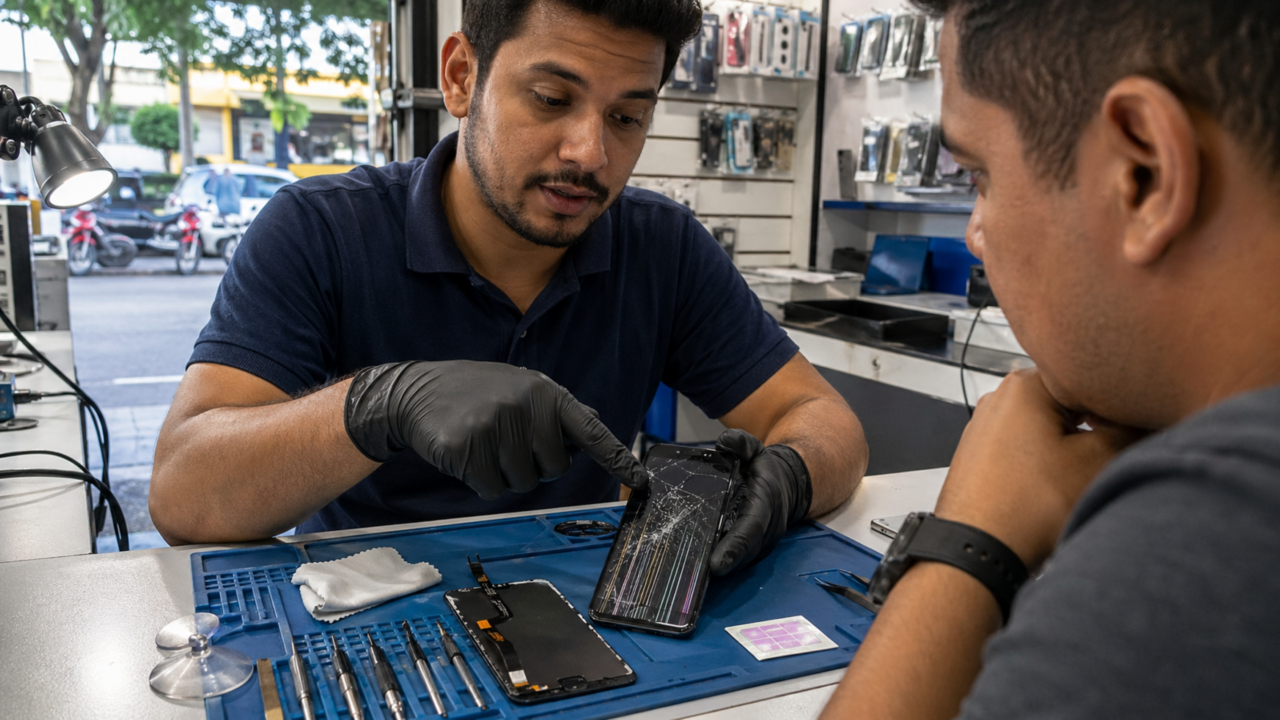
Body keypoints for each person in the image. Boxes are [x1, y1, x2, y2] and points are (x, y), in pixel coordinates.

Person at [149, 0, 869, 581]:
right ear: (461, 77)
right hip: (366, 613)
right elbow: (184, 495)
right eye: (551, 99)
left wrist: (790, 478)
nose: (590, 153)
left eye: (627, 117)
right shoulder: (320, 230)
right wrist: (378, 404)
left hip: (580, 604)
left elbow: (823, 420)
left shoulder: (663, 246)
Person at [821, 1, 1280, 718]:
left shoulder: (1209, 547)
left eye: (979, 177)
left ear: (1144, 173)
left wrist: (972, 541)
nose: (975, 235)